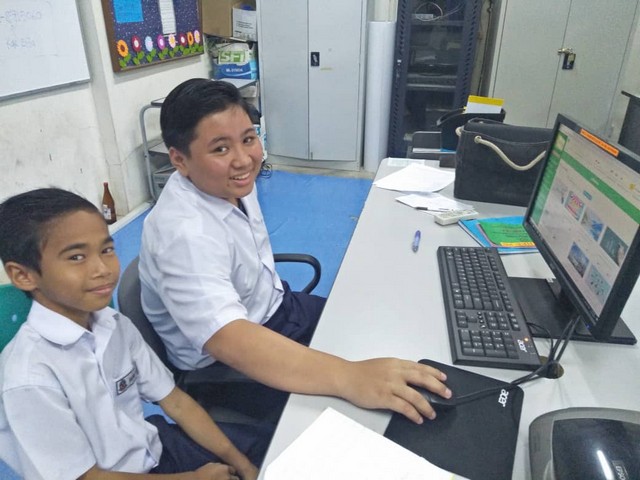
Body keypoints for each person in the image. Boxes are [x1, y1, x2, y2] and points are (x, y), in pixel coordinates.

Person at [138, 78, 452, 431]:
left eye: (248, 139)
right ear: (179, 159)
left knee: (377, 330)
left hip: (278, 308)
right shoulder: (183, 234)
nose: (244, 160)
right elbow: (229, 339)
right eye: (221, 149)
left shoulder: (226, 184)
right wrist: (349, 377)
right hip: (226, 366)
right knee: (370, 418)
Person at [0, 188, 261, 480]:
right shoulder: (29, 379)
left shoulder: (114, 324)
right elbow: (85, 477)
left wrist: (243, 464)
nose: (102, 269)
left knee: (270, 450)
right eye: (76, 257)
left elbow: (175, 402)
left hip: (154, 451)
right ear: (24, 275)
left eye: (106, 250)